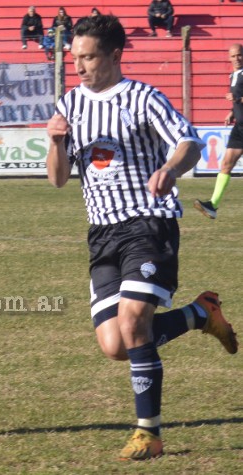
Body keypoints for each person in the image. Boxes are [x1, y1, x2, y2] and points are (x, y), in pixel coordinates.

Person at [46, 15, 238, 461]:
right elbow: (57, 180)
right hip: (102, 234)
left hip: (148, 223)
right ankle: (198, 314)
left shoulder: (142, 98)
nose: (79, 66)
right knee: (115, 344)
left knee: (133, 323)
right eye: (75, 58)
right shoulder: (70, 104)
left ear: (114, 55)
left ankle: (148, 433)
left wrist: (170, 170)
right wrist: (55, 142)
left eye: (89, 57)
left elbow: (188, 141)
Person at [194, 44, 243, 219]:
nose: (237, 59)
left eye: (239, 55)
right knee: (226, 164)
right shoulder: (233, 76)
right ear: (229, 58)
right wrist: (232, 111)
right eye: (233, 56)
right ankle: (213, 205)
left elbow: (239, 97)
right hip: (239, 128)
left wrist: (238, 99)